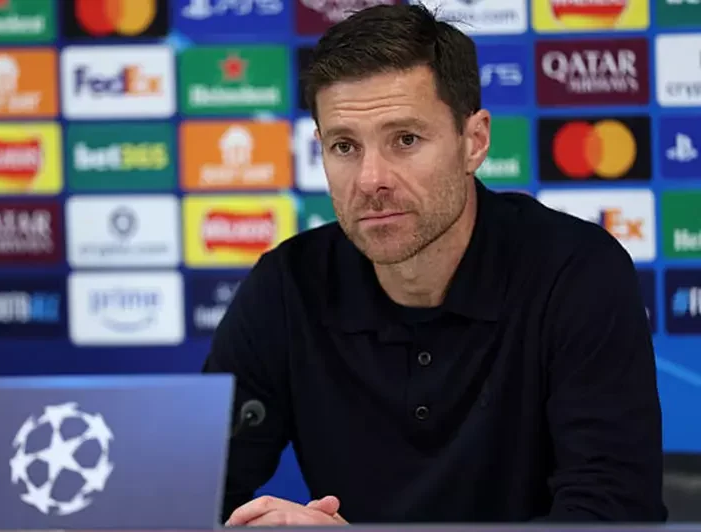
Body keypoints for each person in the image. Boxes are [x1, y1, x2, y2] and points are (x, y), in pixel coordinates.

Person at [202, 3, 668, 526]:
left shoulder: (576, 273)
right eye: (344, 146)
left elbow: (612, 515)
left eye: (405, 140)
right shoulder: (288, 286)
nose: (370, 180)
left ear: (475, 142)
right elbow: (188, 492)